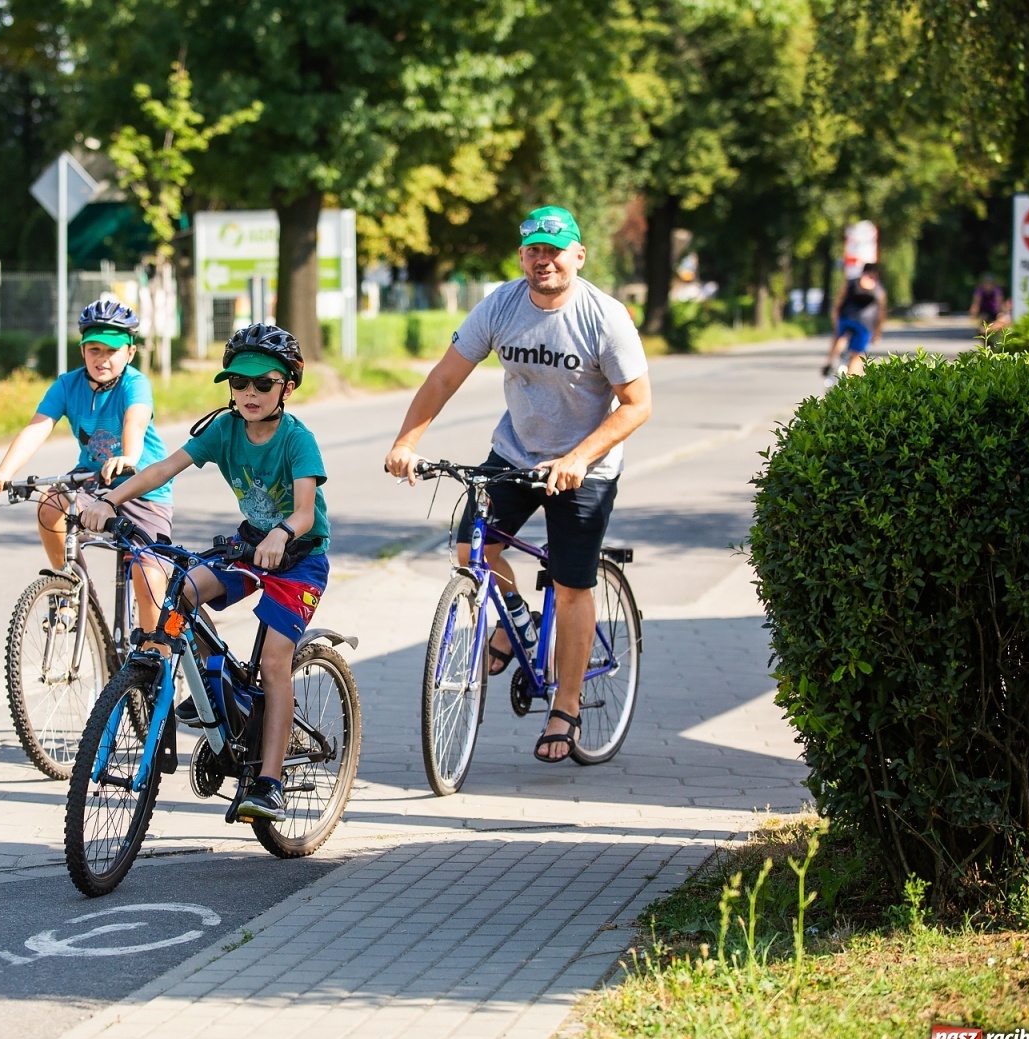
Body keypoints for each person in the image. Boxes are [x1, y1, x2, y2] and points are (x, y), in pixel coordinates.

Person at [383, 205, 652, 764]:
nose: (543, 259)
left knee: (572, 583)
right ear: (522, 256)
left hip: (586, 464)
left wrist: (578, 456)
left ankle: (567, 707)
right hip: (515, 454)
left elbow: (637, 405)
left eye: (555, 250)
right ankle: (519, 627)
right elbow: (445, 376)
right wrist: (406, 441)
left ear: (578, 255)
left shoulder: (605, 318)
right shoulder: (502, 305)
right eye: (534, 249)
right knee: (470, 549)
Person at [80, 324, 329, 822]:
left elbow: (304, 511)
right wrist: (109, 499)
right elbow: (161, 469)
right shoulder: (224, 429)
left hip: (299, 558)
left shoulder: (297, 440)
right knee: (181, 593)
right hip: (249, 547)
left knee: (277, 661)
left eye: (263, 384)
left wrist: (282, 533)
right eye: (239, 383)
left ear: (288, 386)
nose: (249, 393)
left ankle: (270, 782)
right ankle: (218, 693)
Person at [0, 298, 172, 632]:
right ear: (82, 350)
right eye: (94, 349)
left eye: (112, 351)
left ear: (129, 352)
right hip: (93, 481)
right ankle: (71, 592)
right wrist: (5, 471)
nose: (102, 359)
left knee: (149, 579)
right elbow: (37, 426)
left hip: (141, 487)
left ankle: (152, 660)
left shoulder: (135, 383)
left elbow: (135, 420)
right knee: (51, 503)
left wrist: (128, 456)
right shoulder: (67, 385)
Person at [822, 262, 887, 380]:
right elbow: (881, 313)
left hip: (846, 317)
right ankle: (851, 382)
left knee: (839, 338)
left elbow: (839, 300)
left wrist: (835, 316)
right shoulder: (879, 290)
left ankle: (829, 362)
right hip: (865, 324)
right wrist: (877, 331)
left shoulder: (852, 282)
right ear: (876, 274)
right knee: (857, 355)